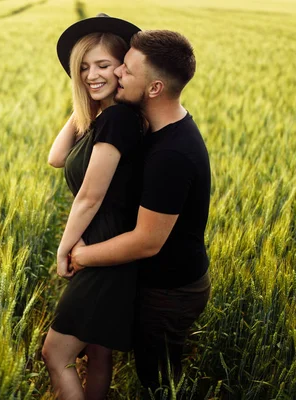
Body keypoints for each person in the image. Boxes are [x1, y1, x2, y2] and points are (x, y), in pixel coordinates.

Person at [70, 30, 212, 395]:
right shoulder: (153, 129)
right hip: (146, 279)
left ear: (154, 89)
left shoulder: (172, 155)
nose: (116, 74)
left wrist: (82, 256)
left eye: (127, 71)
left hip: (169, 291)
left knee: (158, 385)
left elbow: (147, 241)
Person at [42, 14, 144, 400]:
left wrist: (65, 249)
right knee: (98, 355)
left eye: (103, 65)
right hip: (109, 249)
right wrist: (87, 99)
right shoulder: (107, 116)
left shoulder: (117, 119)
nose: (91, 74)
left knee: (55, 355)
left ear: (124, 66)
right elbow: (56, 157)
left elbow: (89, 196)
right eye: (83, 68)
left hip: (101, 251)